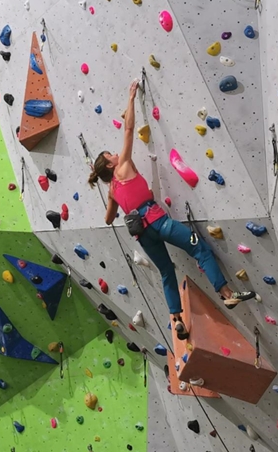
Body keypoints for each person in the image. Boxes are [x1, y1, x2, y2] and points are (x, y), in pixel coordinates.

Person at [88, 80, 256, 340]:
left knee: (167, 272)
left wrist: (118, 202)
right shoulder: (122, 169)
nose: (115, 154)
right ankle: (226, 295)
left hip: (143, 235)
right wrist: (131, 97)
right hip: (157, 221)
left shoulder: (112, 189)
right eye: (111, 155)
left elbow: (108, 219)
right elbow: (129, 130)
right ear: (110, 166)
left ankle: (176, 319)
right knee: (198, 247)